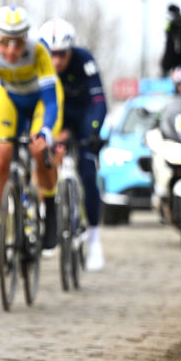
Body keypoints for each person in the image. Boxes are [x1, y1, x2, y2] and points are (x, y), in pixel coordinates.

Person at [0, 5, 62, 272]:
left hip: (41, 103)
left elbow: (51, 101)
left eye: (18, 44)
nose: (11, 51)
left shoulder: (39, 50)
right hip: (10, 100)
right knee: (0, 158)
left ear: (26, 39)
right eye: (5, 44)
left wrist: (45, 131)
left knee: (36, 149)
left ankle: (51, 209)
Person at [39, 18, 107, 271]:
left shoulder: (84, 60)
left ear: (71, 51)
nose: (56, 61)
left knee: (88, 173)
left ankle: (94, 239)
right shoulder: (38, 64)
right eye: (51, 55)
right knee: (44, 165)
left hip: (83, 117)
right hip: (55, 120)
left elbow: (99, 101)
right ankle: (51, 218)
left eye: (62, 55)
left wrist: (93, 131)